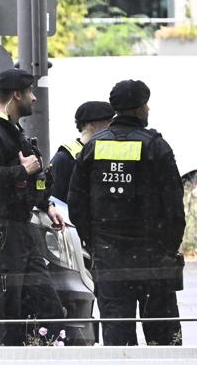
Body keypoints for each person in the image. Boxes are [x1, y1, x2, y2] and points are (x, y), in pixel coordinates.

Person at [67, 79, 186, 346]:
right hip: (152, 258)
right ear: (140, 108)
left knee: (117, 334)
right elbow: (174, 207)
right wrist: (168, 248)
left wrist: (94, 242)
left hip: (109, 258)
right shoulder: (156, 147)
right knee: (162, 334)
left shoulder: (93, 147)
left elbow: (77, 203)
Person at [0, 66, 65, 345]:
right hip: (5, 231)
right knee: (10, 304)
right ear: (16, 95)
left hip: (22, 229)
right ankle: (9, 358)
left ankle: (48, 350)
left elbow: (35, 177)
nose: (34, 98)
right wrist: (23, 171)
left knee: (47, 302)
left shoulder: (13, 130)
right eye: (30, 92)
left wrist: (47, 204)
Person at [49, 100, 114, 209]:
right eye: (108, 121)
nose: (112, 126)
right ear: (93, 124)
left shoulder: (108, 154)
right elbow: (55, 200)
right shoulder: (65, 157)